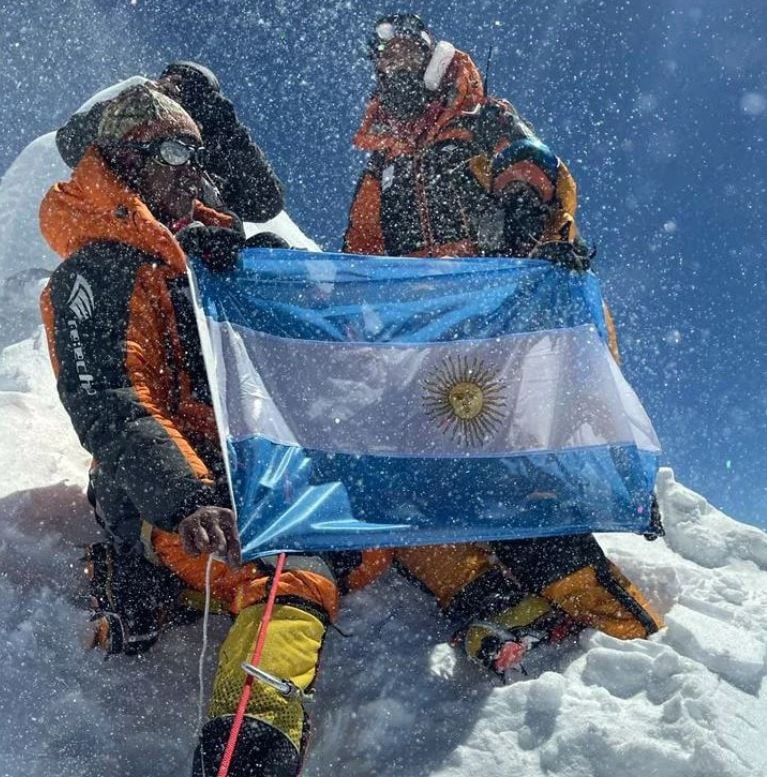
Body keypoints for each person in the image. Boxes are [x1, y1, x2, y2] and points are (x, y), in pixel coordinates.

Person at [340, 13, 661, 675]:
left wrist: (520, 208)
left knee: (506, 466)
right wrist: (348, 310)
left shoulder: (482, 121)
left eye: (405, 52)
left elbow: (532, 164)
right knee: (413, 477)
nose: (391, 66)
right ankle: (484, 592)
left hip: (496, 319)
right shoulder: (384, 168)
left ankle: (612, 621)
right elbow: (361, 253)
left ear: (431, 61)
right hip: (424, 337)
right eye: (383, 57)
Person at [40, 84, 336, 777]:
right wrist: (185, 497)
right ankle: (247, 749)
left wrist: (261, 278)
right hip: (162, 492)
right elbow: (109, 396)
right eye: (175, 151)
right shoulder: (98, 268)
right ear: (128, 158)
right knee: (288, 571)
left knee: (351, 536)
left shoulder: (207, 261)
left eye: (198, 156)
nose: (193, 171)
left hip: (237, 475)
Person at [55, 60, 285, 227]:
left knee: (269, 248)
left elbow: (265, 202)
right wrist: (137, 100)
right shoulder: (135, 144)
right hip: (141, 248)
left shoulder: (210, 161)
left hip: (208, 267)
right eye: (180, 91)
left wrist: (227, 128)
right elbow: (70, 143)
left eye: (200, 99)